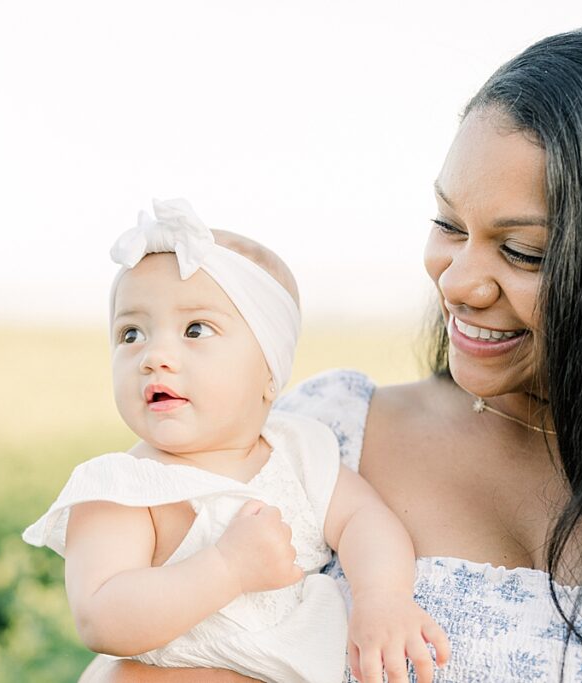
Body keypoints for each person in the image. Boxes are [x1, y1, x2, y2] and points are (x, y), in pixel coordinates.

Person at [80, 28, 582, 683]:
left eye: (523, 252)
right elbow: (140, 650)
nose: (455, 280)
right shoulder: (324, 432)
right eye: (449, 225)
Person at [24, 198, 449, 683]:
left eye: (195, 329)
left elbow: (365, 521)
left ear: (269, 371)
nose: (154, 356)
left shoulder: (301, 453)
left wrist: (382, 598)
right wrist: (226, 567)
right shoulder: (122, 487)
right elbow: (101, 617)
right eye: (131, 334)